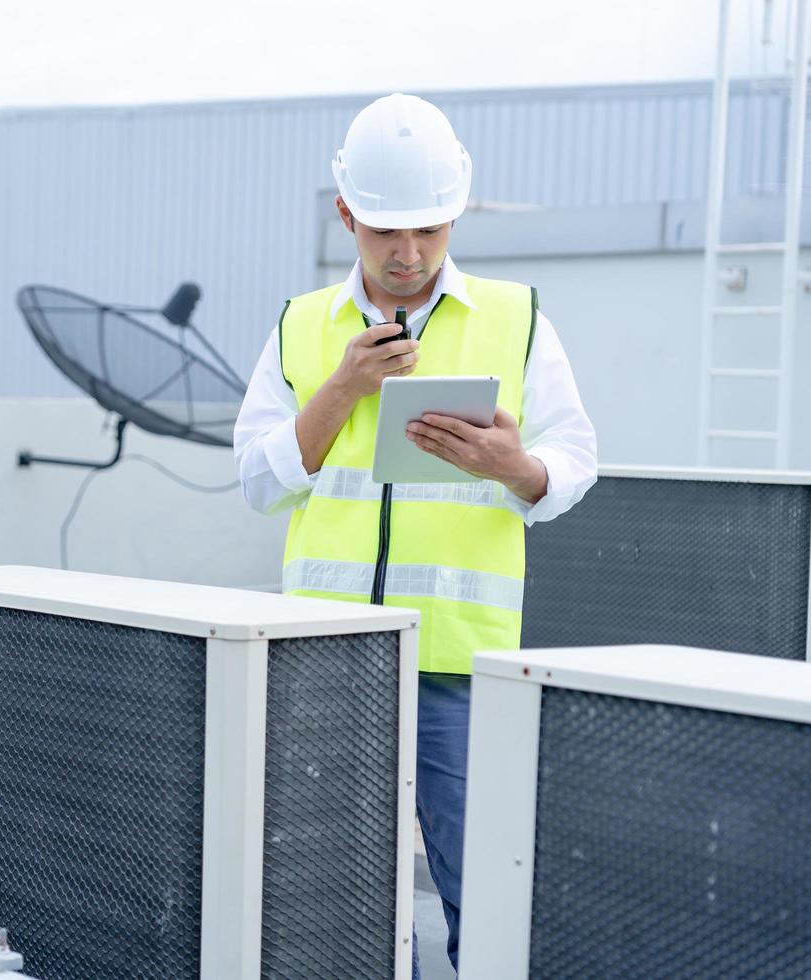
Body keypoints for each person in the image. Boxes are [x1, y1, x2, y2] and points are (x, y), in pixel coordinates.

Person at [233, 93, 597, 977]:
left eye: (428, 231)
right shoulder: (301, 326)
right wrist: (340, 392)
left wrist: (516, 466)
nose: (408, 255)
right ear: (347, 215)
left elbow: (575, 457)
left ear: (455, 215)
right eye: (386, 233)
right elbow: (254, 483)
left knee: (484, 884)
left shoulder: (518, 318)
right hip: (324, 658)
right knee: (322, 886)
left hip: (460, 666)